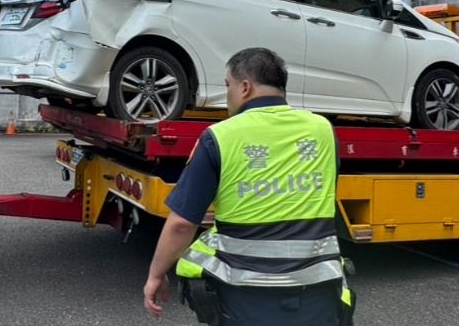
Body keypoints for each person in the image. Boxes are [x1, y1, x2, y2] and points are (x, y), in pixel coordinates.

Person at [143, 48, 349, 326]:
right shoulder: (323, 129)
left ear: (245, 87)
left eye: (227, 85)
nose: (226, 94)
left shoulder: (219, 136)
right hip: (318, 295)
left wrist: (156, 275)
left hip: (247, 300)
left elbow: (182, 223)